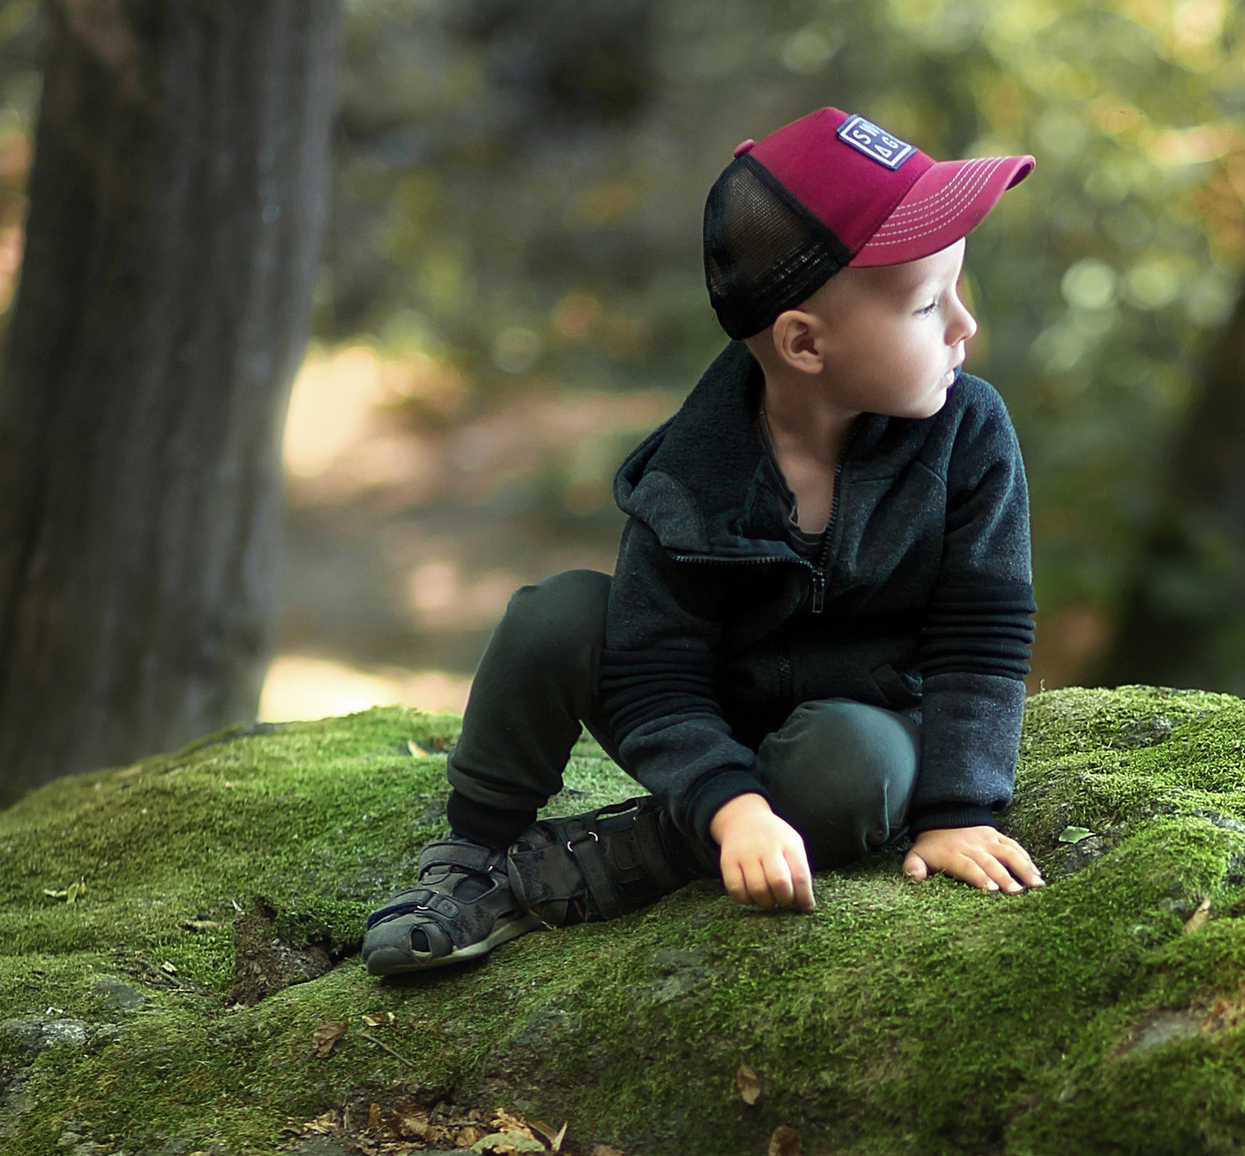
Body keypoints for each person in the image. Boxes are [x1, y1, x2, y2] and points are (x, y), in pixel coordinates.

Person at [362, 106, 1045, 977]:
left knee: (859, 765)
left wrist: (958, 810)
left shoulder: (969, 433)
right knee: (557, 612)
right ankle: (473, 856)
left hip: (858, 729)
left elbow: (981, 634)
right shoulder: (691, 472)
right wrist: (733, 805)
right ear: (804, 343)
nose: (964, 325)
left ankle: (618, 857)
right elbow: (655, 675)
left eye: (957, 289)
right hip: (715, 714)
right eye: (926, 304)